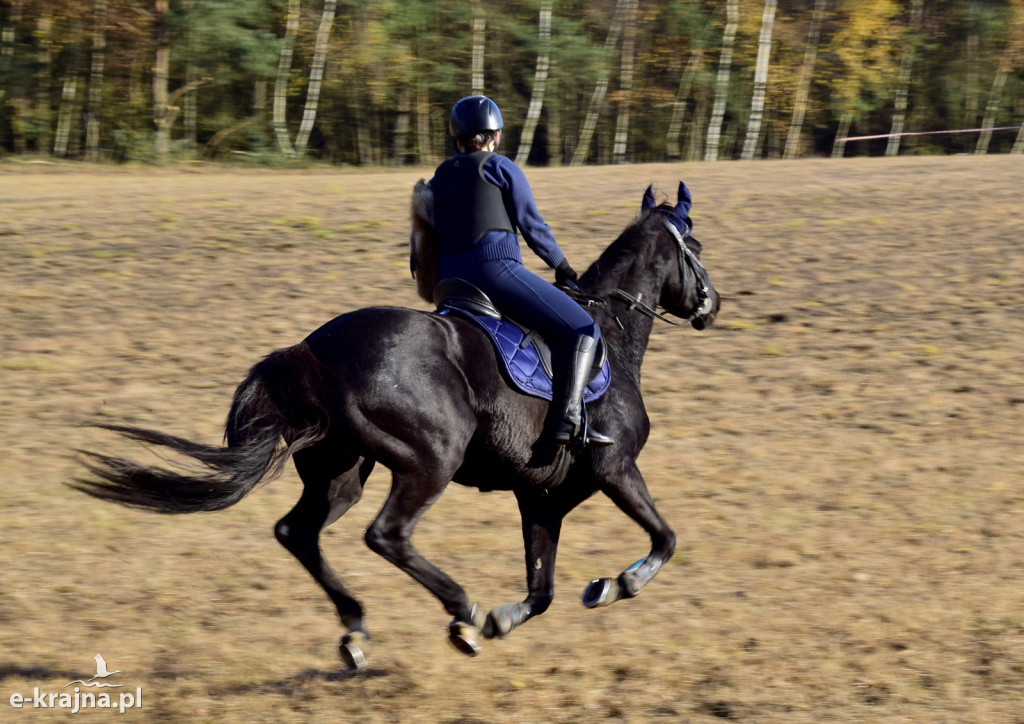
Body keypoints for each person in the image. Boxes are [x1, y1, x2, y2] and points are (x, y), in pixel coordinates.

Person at [429, 95, 613, 448]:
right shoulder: (501, 167)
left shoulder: (439, 177)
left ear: (458, 139)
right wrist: (562, 267)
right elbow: (533, 227)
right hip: (494, 271)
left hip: (451, 283)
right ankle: (569, 419)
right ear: (495, 136)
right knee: (582, 328)